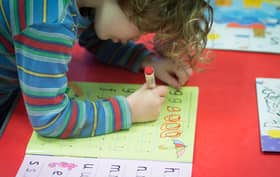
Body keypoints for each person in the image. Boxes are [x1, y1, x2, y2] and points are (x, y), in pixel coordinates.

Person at [0, 0, 213, 138]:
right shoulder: (48, 21)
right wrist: (129, 110)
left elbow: (92, 33)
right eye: (141, 28)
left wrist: (145, 60)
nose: (137, 38)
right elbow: (51, 119)